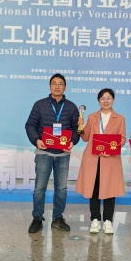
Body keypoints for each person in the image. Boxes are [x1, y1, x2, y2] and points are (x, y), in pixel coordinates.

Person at [25, 73, 80, 233]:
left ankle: (57, 218)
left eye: (60, 83)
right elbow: (30, 125)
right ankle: (37, 218)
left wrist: (72, 142)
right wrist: (36, 140)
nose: (57, 86)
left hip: (63, 154)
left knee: (61, 189)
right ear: (50, 86)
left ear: (65, 87)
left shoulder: (71, 107)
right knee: (39, 188)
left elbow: (76, 129)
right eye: (54, 83)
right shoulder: (40, 105)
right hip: (44, 153)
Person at [75, 88, 126, 234]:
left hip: (110, 158)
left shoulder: (119, 118)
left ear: (113, 100)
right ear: (99, 101)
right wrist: (81, 127)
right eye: (102, 98)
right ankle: (95, 220)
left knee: (110, 189)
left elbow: (122, 138)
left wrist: (111, 148)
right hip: (93, 158)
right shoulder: (92, 117)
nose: (105, 101)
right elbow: (85, 138)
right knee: (94, 188)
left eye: (108, 98)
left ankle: (108, 221)